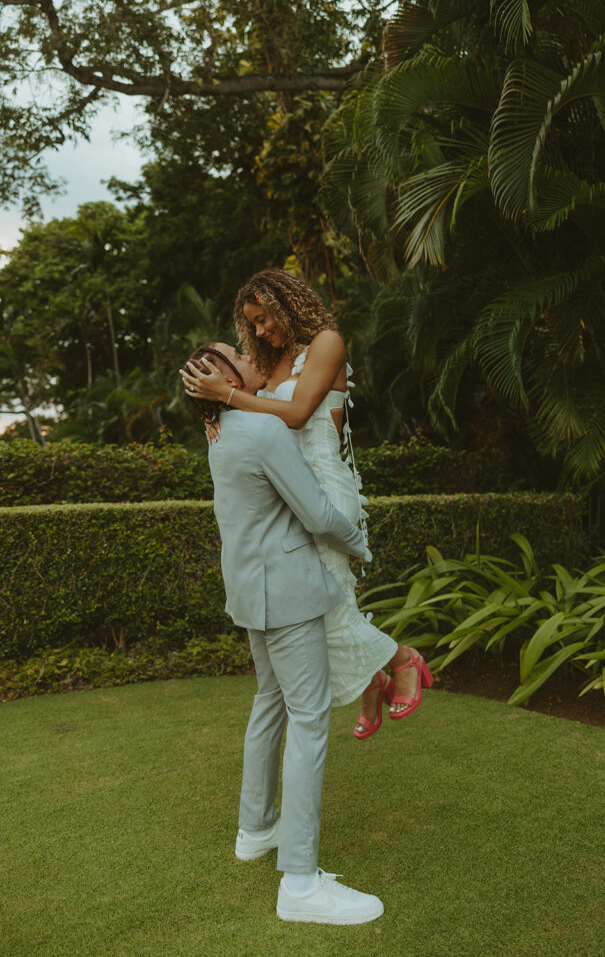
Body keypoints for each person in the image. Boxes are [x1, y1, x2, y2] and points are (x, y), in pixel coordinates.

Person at [180, 269, 433, 739]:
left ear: (286, 304)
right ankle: (373, 680)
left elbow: (295, 416)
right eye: (251, 325)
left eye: (263, 319)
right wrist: (215, 415)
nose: (259, 332)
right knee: (314, 609)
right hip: (288, 494)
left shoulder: (327, 344)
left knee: (329, 608)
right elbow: (253, 411)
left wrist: (228, 396)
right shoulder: (272, 362)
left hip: (324, 488)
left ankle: (404, 662)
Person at [185, 343, 384, 924]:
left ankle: (255, 829)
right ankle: (299, 882)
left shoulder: (219, 436)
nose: (246, 355)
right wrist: (359, 541)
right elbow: (318, 512)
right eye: (233, 355)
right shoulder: (261, 431)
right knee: (309, 722)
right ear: (222, 378)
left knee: (270, 705)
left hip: (250, 594)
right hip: (289, 594)